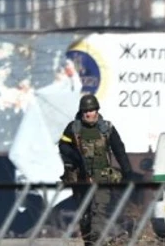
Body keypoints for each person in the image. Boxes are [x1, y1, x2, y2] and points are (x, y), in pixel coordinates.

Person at [58, 94, 132, 246]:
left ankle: (97, 242)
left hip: (102, 179)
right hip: (81, 180)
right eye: (85, 110)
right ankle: (90, 242)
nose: (88, 113)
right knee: (85, 216)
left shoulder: (107, 128)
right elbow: (63, 146)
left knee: (98, 212)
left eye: (91, 110)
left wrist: (127, 171)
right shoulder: (73, 128)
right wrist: (77, 158)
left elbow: (119, 150)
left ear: (97, 110)